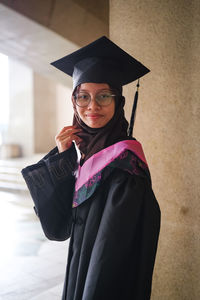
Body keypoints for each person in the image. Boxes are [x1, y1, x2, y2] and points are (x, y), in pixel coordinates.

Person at [22, 36, 160, 300]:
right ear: (73, 101)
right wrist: (64, 156)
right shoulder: (85, 152)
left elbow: (111, 257)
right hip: (80, 270)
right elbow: (59, 227)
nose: (92, 107)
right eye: (83, 96)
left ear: (118, 103)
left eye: (104, 96)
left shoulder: (126, 166)